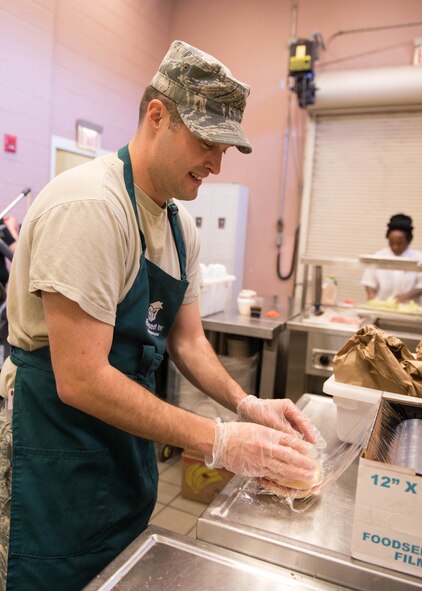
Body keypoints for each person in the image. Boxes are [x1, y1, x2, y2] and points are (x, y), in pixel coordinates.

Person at [0, 40, 320, 590]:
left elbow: (188, 341)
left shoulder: (178, 226)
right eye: (208, 143)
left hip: (120, 450)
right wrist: (219, 441)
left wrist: (246, 404)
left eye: (227, 150)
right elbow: (80, 379)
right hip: (52, 450)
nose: (217, 165)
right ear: (157, 116)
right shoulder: (92, 208)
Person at [361, 213, 422, 304]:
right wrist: (371, 295)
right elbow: (369, 282)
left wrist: (406, 296)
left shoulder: (418, 258)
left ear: (408, 241)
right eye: (392, 243)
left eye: (400, 243)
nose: (395, 247)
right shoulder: (378, 256)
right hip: (382, 310)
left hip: (408, 310)